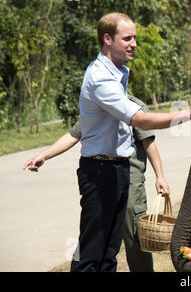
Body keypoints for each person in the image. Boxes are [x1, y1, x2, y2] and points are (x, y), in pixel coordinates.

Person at [66, 12, 191, 272]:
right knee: (92, 252)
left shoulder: (117, 75)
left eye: (135, 38)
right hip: (99, 171)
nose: (134, 44)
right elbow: (140, 120)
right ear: (107, 39)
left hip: (118, 169)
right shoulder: (101, 78)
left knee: (108, 252)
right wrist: (189, 115)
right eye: (127, 38)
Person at [24, 94, 170, 272]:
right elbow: (73, 135)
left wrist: (160, 176)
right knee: (96, 233)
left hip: (130, 178)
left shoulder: (132, 106)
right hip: (103, 178)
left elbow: (149, 143)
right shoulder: (98, 105)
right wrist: (43, 155)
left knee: (134, 233)